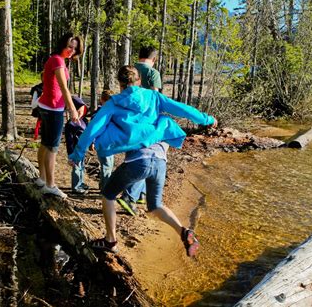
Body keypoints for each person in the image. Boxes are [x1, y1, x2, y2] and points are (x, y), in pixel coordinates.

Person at [68, 65, 217, 257]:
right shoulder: (153, 97)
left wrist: (77, 154)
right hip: (160, 160)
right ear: (139, 81)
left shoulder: (113, 103)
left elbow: (92, 129)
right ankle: (184, 231)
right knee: (155, 206)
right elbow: (183, 109)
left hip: (139, 161)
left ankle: (110, 240)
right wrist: (207, 119)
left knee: (108, 194)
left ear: (120, 84)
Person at [35, 33, 83, 199]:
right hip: (53, 109)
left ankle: (41, 179)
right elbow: (63, 87)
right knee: (52, 148)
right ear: (62, 44)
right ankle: (50, 185)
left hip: (46, 106)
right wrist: (73, 110)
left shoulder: (57, 59)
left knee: (45, 143)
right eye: (69, 46)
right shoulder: (57, 61)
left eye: (75, 48)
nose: (72, 50)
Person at [116, 46, 163, 213]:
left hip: (130, 120)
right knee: (146, 157)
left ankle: (141, 194)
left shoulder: (132, 70)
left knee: (134, 157)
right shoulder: (153, 73)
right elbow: (155, 98)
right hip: (147, 123)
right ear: (154, 59)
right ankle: (129, 197)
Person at [64, 95, 89, 194]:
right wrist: (70, 155)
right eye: (78, 110)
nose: (80, 112)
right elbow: (69, 140)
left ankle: (80, 182)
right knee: (76, 168)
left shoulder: (84, 121)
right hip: (75, 150)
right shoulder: (70, 124)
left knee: (81, 167)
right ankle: (76, 187)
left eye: (82, 110)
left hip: (83, 149)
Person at [30, 73, 43, 140]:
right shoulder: (37, 89)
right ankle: (36, 136)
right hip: (40, 110)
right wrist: (41, 97)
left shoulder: (54, 87)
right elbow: (33, 105)